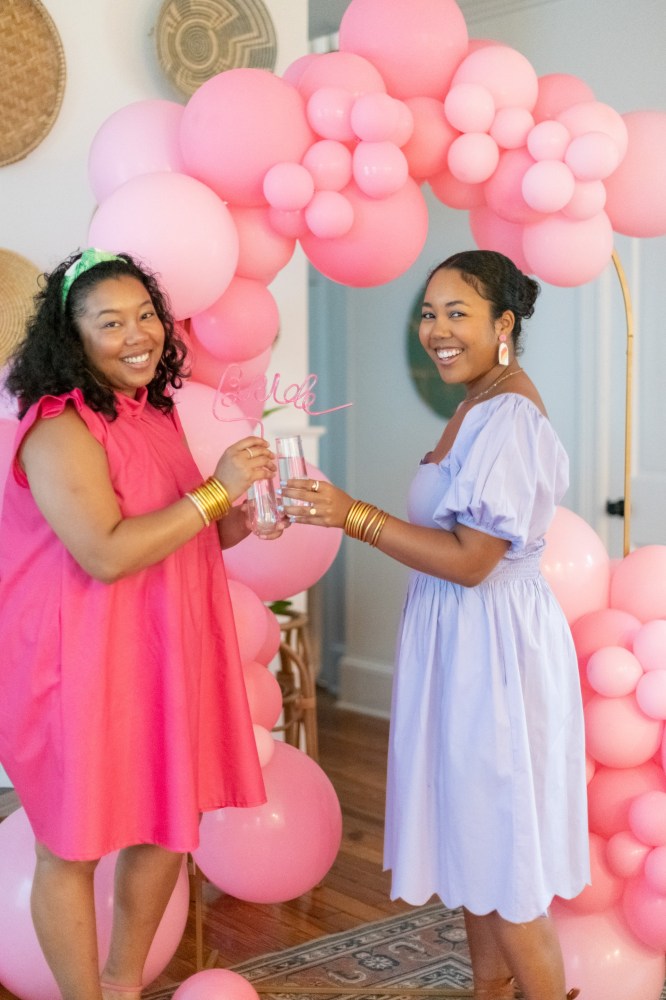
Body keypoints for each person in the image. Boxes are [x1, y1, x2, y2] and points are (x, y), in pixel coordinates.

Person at [283, 250, 588, 1000]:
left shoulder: (510, 416)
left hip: (494, 648)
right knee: (476, 843)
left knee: (505, 858)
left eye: (458, 313)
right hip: (463, 641)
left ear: (504, 323)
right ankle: (489, 992)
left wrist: (352, 515)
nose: (437, 330)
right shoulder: (477, 402)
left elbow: (473, 559)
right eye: (428, 312)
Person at [0, 248, 282, 1000]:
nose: (138, 334)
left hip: (159, 650)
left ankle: (123, 984)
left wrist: (247, 507)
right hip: (79, 662)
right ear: (72, 337)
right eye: (110, 321)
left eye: (146, 314)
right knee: (73, 845)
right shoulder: (58, 428)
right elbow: (106, 553)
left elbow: (196, 531)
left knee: (167, 821)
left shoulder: (150, 414)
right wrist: (214, 496)